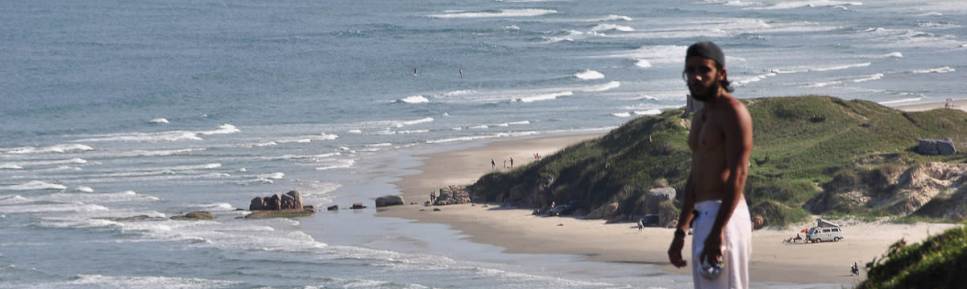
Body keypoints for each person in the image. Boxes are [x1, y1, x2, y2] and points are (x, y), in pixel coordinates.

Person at [667, 41, 754, 289]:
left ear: (721, 73)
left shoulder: (733, 112)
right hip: (703, 218)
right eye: (690, 70)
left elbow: (739, 174)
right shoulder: (700, 117)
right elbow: (695, 177)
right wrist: (680, 232)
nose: (696, 77)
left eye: (704, 70)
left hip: (725, 217)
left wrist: (718, 232)